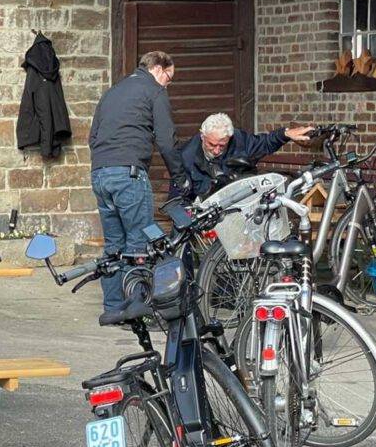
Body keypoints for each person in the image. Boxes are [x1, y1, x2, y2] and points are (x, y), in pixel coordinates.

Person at [88, 50, 189, 316]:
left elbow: (93, 135)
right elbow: (167, 140)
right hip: (129, 174)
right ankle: (137, 308)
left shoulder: (112, 92)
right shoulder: (154, 91)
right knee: (139, 244)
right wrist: (180, 178)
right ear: (159, 69)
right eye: (170, 78)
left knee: (113, 245)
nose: (169, 84)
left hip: (100, 173)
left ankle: (112, 308)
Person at [173, 113, 314, 201]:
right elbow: (178, 198)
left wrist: (285, 134)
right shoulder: (186, 156)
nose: (216, 150)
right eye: (212, 144)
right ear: (202, 136)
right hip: (206, 211)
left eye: (222, 146)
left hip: (239, 203)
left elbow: (264, 143)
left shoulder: (239, 140)